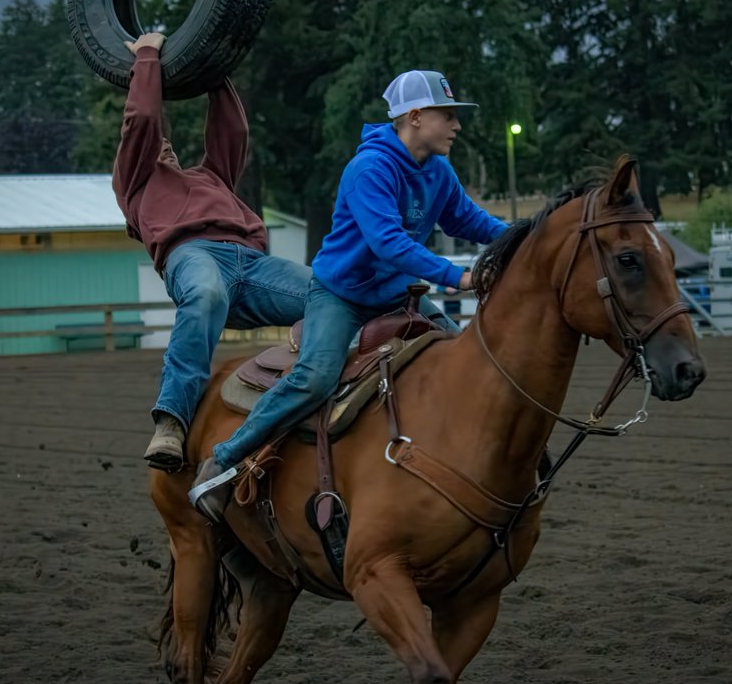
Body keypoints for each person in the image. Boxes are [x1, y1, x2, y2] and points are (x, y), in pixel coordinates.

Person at [190, 68, 508, 521]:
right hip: (342, 296)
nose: (457, 125)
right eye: (448, 115)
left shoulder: (438, 170)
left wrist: (525, 235)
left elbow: (469, 221)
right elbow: (389, 242)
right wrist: (456, 278)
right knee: (316, 377)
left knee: (466, 357)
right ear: (415, 117)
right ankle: (222, 459)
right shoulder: (369, 169)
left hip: (397, 295)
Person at [114, 32, 312, 470]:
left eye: (168, 144)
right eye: (155, 145)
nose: (163, 144)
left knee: (328, 292)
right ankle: (172, 421)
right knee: (205, 294)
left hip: (253, 264)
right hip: (193, 254)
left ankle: (321, 396)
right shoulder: (137, 183)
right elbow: (142, 121)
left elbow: (233, 128)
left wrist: (211, 64)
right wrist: (147, 53)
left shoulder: (211, 177)